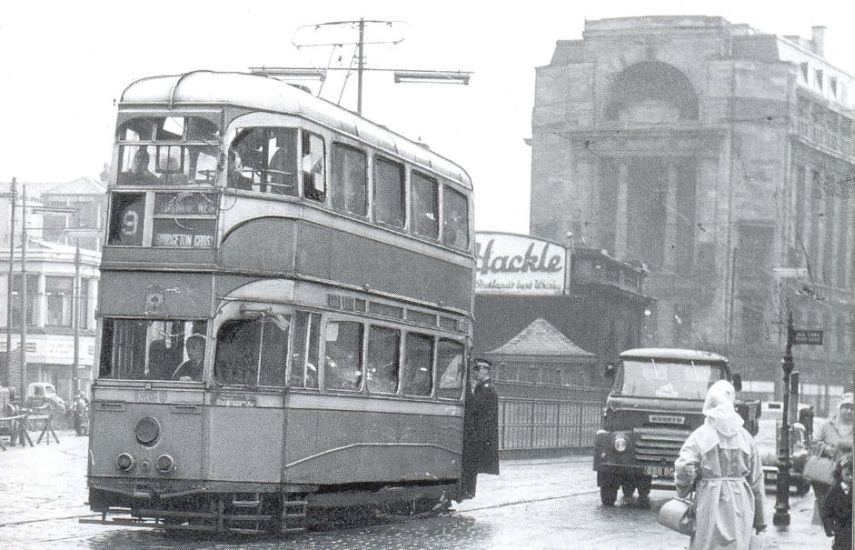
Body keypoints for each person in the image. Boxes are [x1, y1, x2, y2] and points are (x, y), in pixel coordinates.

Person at [674, 380, 766, 550]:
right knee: (737, 542)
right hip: (740, 502)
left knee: (707, 542)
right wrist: (760, 520)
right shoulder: (746, 438)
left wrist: (683, 488)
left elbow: (684, 467)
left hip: (709, 498)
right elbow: (756, 481)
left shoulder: (700, 436)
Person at [811, 393, 854, 518]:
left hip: (851, 476)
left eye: (852, 408)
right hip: (831, 475)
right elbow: (814, 444)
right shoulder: (827, 425)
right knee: (830, 508)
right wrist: (827, 449)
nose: (849, 411)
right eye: (846, 407)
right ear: (840, 408)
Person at [461, 360, 500, 498]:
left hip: (478, 433)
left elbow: (474, 406)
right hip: (478, 432)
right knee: (470, 462)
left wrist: (468, 391)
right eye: (476, 369)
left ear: (485, 370)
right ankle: (467, 490)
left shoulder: (487, 388)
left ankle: (468, 491)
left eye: (478, 369)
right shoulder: (483, 387)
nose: (476, 372)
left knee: (470, 462)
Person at [822, 452, 853, 550]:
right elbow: (826, 510)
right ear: (840, 474)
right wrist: (830, 526)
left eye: (853, 474)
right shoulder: (834, 490)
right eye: (847, 474)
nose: (851, 478)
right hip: (841, 531)